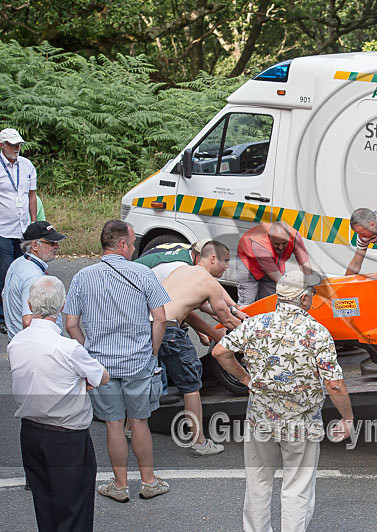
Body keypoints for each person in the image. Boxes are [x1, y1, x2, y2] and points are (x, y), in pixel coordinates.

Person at [212, 270, 354, 532]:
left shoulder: (255, 324)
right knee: (297, 486)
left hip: (260, 420)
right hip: (301, 423)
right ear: (302, 299)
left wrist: (245, 378)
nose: (312, 298)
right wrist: (347, 418)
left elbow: (220, 351)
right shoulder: (317, 333)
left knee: (258, 482)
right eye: (310, 294)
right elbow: (333, 383)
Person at [64, 220, 171, 502]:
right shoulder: (144, 274)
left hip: (102, 365)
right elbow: (160, 318)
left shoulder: (82, 277)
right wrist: (152, 352)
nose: (134, 247)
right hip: (138, 361)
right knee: (139, 422)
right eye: (133, 242)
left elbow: (71, 324)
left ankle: (120, 485)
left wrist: (88, 352)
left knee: (113, 424)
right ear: (122, 244)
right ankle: (148, 481)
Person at [9, 276, 110, 532]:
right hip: (67, 436)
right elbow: (101, 376)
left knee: (44, 503)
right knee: (74, 508)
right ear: (62, 305)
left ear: (31, 304)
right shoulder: (68, 348)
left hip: (31, 431)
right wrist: (83, 382)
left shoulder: (16, 343)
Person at [157, 244, 243, 455]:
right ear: (213, 259)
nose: (225, 270)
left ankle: (130, 428)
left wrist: (235, 312)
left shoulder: (183, 271)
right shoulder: (209, 282)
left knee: (145, 379)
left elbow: (196, 303)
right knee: (192, 384)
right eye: (225, 263)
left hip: (148, 326)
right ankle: (199, 442)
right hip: (169, 331)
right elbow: (225, 319)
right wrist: (254, 334)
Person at [0, 128, 38, 334]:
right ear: (2, 145)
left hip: (22, 230)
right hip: (2, 230)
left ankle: (23, 311)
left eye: (19, 145)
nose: (17, 148)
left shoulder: (27, 165)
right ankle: (4, 317)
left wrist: (33, 222)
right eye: (12, 145)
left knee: (23, 272)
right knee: (6, 275)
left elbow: (32, 195)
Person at [3, 221, 65, 339]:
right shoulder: (34, 278)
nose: (57, 246)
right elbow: (28, 321)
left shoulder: (18, 263)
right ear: (35, 245)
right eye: (51, 243)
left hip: (19, 342)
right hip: (35, 346)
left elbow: (4, 297)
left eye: (57, 242)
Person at [236, 221, 312, 304]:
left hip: (275, 264)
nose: (280, 247)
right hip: (249, 265)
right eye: (276, 244)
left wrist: (308, 285)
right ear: (269, 237)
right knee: (247, 301)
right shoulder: (259, 243)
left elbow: (304, 263)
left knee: (269, 301)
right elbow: (277, 277)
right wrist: (295, 292)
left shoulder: (295, 237)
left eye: (284, 243)